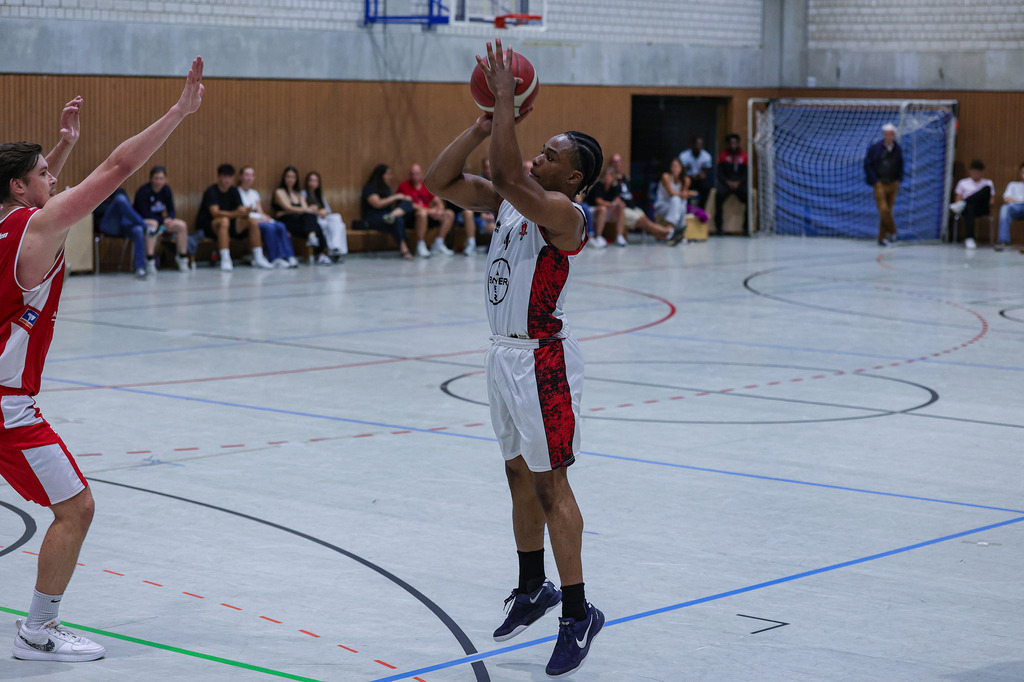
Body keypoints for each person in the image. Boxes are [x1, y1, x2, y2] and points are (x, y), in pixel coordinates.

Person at [0, 57, 203, 663]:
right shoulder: (38, 230)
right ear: (19, 187)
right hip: (10, 407)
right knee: (77, 508)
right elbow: (117, 168)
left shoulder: (8, 222)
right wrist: (178, 111)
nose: (54, 180)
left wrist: (58, 148)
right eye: (43, 174)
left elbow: (35, 198)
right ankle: (38, 630)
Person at [425, 39, 604, 678]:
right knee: (515, 476)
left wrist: (505, 100)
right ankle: (533, 586)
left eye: (552, 154)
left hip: (542, 361)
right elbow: (439, 181)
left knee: (552, 484)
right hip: (501, 357)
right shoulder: (510, 199)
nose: (540, 153)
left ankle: (579, 612)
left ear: (572, 177)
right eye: (542, 145)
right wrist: (480, 124)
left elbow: (505, 175)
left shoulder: (564, 215)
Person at [195, 163, 274, 271]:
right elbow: (215, 213)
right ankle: (225, 258)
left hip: (231, 225)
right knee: (224, 221)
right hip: (210, 226)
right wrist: (235, 213)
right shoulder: (212, 191)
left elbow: (240, 209)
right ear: (219, 177)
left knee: (252, 221)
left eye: (230, 177)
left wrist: (246, 211)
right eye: (225, 177)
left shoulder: (234, 191)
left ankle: (258, 257)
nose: (227, 180)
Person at [132, 165, 190, 272]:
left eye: (161, 179)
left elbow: (171, 210)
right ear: (151, 179)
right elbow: (144, 212)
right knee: (153, 224)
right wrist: (162, 220)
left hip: (160, 221)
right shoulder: (144, 191)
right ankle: (149, 259)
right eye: (156, 178)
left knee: (181, 225)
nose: (159, 181)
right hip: (142, 220)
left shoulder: (166, 190)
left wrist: (169, 219)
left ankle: (182, 258)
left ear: (165, 180)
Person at [607, 155, 676, 244]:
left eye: (619, 162)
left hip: (632, 207)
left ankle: (663, 235)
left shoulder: (624, 177)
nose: (617, 164)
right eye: (614, 162)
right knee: (642, 221)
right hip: (621, 209)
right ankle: (666, 232)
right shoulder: (610, 179)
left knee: (645, 219)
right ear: (611, 164)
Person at [237, 166, 297, 268]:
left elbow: (260, 211)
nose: (249, 178)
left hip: (259, 219)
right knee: (270, 228)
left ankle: (289, 256)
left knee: (280, 225)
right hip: (249, 222)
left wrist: (269, 218)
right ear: (241, 177)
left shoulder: (254, 193)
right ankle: (274, 258)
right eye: (247, 175)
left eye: (251, 175)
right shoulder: (236, 192)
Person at [272, 166, 331, 266]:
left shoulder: (298, 194)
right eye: (288, 176)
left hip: (299, 222)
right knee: (312, 220)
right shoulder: (279, 192)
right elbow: (288, 207)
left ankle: (317, 247)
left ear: (296, 179)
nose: (290, 179)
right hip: (287, 221)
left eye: (293, 177)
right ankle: (316, 246)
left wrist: (307, 210)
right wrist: (305, 210)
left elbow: (305, 209)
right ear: (284, 178)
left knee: (313, 220)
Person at [398, 163, 455, 257]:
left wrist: (439, 209)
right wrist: (430, 211)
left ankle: (438, 243)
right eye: (412, 174)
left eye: (417, 174)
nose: (414, 176)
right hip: (412, 218)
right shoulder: (404, 186)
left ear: (421, 174)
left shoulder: (425, 185)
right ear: (409, 175)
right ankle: (420, 244)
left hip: (429, 215)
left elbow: (436, 200)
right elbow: (411, 205)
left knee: (449, 213)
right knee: (422, 214)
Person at [361, 164, 415, 260]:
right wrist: (395, 197)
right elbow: (377, 204)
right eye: (388, 174)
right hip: (375, 217)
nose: (391, 177)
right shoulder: (369, 188)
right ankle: (404, 249)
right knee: (398, 221)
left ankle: (392, 215)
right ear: (381, 175)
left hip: (388, 215)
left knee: (408, 203)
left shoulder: (386, 188)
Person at [95, 187, 151, 278]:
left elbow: (127, 209)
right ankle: (145, 225)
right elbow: (97, 210)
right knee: (120, 199)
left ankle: (140, 268)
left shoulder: (120, 191)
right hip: (108, 225)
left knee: (138, 230)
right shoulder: (97, 192)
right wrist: (116, 207)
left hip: (123, 224)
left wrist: (120, 209)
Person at [864, 123, 903, 246]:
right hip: (880, 184)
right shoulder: (875, 148)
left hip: (893, 183)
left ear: (894, 135)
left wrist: (899, 179)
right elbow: (868, 165)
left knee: (888, 211)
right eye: (887, 134)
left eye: (891, 134)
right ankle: (893, 231)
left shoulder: (897, 149)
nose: (889, 136)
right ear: (883, 135)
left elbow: (901, 165)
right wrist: (875, 181)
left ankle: (882, 238)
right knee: (884, 210)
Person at [950, 160, 995, 250]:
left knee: (986, 189)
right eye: (973, 172)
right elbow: (958, 201)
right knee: (970, 206)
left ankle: (966, 201)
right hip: (967, 209)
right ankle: (969, 238)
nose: (975, 174)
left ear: (982, 172)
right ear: (970, 171)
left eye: (977, 172)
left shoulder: (988, 183)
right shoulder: (963, 183)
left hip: (981, 208)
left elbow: (991, 201)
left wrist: (972, 200)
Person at [302, 171, 347, 262]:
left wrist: (321, 212)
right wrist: (317, 211)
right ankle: (334, 249)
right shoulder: (303, 193)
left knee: (338, 220)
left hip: (323, 218)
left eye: (315, 181)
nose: (313, 183)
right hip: (312, 219)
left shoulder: (319, 196)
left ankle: (335, 247)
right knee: (334, 226)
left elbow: (327, 211)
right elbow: (305, 209)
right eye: (311, 180)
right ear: (307, 182)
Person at [655, 158, 698, 245]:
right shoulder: (666, 177)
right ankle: (672, 230)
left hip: (676, 208)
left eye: (677, 166)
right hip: (662, 206)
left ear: (681, 168)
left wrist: (686, 194)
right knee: (676, 199)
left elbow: (683, 197)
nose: (675, 169)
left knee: (681, 203)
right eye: (673, 166)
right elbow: (672, 194)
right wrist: (688, 194)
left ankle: (677, 233)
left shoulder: (686, 180)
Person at [715, 133, 749, 236]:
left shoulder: (744, 157)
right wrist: (728, 182)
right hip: (726, 184)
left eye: (735, 143)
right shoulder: (723, 156)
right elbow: (719, 173)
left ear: (738, 143)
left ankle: (746, 228)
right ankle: (719, 228)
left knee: (749, 197)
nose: (733, 145)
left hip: (739, 184)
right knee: (719, 195)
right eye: (731, 143)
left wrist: (738, 182)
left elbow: (746, 174)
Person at [586, 166, 627, 247]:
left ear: (613, 177)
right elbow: (599, 201)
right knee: (603, 209)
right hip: (591, 208)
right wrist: (612, 204)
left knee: (621, 207)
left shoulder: (616, 186)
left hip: (608, 209)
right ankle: (598, 236)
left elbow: (618, 200)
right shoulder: (599, 185)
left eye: (610, 175)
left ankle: (619, 236)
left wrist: (616, 204)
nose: (607, 177)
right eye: (606, 175)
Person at [996, 161, 1024, 251]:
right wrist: (1020, 201)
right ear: (1020, 173)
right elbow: (1006, 199)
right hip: (1015, 208)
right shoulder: (1013, 185)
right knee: (1004, 208)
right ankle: (1003, 241)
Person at [678, 137, 713, 207]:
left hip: (700, 179)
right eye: (697, 144)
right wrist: (690, 175)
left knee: (707, 185)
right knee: (684, 183)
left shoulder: (706, 156)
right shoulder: (684, 155)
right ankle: (687, 208)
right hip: (688, 178)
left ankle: (701, 208)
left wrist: (702, 174)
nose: (699, 147)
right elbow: (682, 171)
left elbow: (706, 170)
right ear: (692, 145)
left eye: (700, 145)